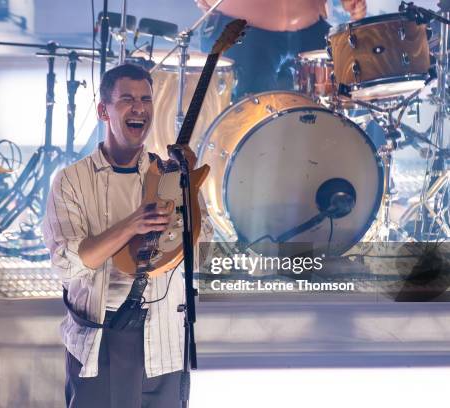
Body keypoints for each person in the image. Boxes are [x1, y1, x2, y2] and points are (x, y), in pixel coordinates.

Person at [42, 63, 213, 408]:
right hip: (101, 340)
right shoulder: (72, 180)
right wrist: (132, 224)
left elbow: (203, 254)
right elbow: (67, 264)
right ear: (104, 110)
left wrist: (188, 195)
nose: (139, 108)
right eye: (127, 99)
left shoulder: (169, 175)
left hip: (164, 338)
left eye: (146, 100)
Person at [198, 0, 367, 99]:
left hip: (311, 26)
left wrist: (351, 3)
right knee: (249, 117)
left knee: (344, 99)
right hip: (243, 28)